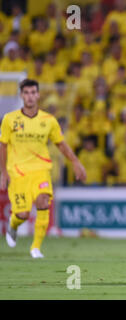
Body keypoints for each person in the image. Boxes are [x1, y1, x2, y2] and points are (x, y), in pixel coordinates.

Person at [0, 79, 87, 258]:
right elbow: (2, 146)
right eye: (26, 93)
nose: (30, 96)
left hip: (41, 170)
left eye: (33, 92)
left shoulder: (48, 120)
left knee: (43, 202)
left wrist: (76, 162)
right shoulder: (10, 119)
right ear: (21, 95)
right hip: (18, 172)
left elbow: (61, 145)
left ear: (38, 95)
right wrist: (3, 171)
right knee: (22, 214)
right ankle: (13, 225)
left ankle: (36, 248)